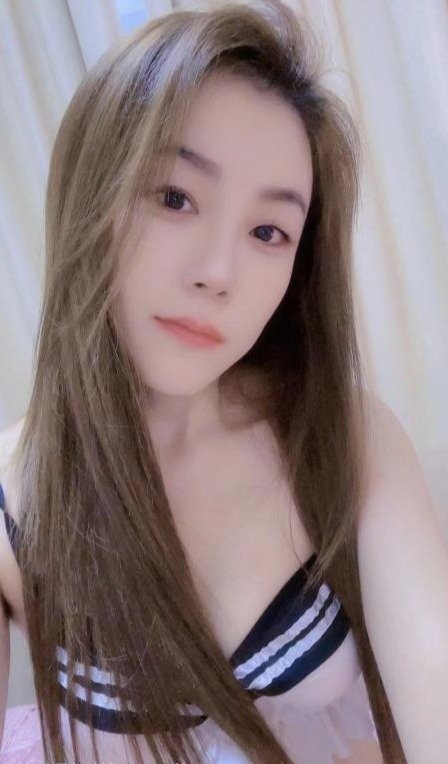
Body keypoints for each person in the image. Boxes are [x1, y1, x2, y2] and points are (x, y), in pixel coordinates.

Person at [2, 0, 448, 762]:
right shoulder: (16, 502)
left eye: (268, 231)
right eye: (174, 197)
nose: (218, 273)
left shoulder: (343, 435)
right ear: (89, 194)